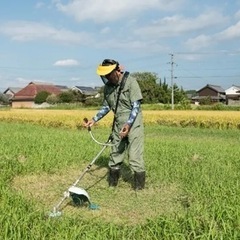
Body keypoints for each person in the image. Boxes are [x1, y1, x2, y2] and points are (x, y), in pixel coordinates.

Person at [84, 59, 145, 190]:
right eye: (105, 76)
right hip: (118, 123)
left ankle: (139, 190)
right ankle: (112, 186)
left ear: (117, 71)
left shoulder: (131, 82)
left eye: (109, 74)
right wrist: (94, 119)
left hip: (133, 123)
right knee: (115, 154)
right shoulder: (108, 88)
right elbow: (107, 107)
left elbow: (136, 106)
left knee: (134, 156)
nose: (107, 78)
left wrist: (128, 125)